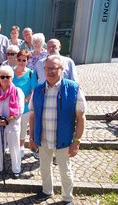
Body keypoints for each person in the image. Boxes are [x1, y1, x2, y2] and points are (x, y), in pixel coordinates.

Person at [29, 55, 86, 203]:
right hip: (43, 138)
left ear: (62, 69)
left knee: (65, 170)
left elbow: (81, 117)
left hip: (64, 139)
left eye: (54, 68)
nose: (50, 71)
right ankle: (47, 191)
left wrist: (77, 141)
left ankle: (67, 197)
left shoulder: (73, 88)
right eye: (47, 68)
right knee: (44, 167)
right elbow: (33, 115)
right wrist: (32, 138)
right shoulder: (38, 89)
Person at [0, 66, 24, 179]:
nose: (4, 79)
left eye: (7, 77)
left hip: (12, 124)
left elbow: (20, 110)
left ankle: (16, 169)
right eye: (2, 76)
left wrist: (8, 120)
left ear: (11, 78)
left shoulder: (18, 91)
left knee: (14, 147)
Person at [12, 50, 37, 158]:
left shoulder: (31, 73)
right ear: (16, 59)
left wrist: (25, 100)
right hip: (11, 106)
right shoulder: (10, 72)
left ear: (27, 61)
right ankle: (13, 145)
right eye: (19, 60)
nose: (21, 62)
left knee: (22, 127)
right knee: (12, 127)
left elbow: (33, 90)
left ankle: (21, 146)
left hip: (25, 107)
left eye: (24, 60)